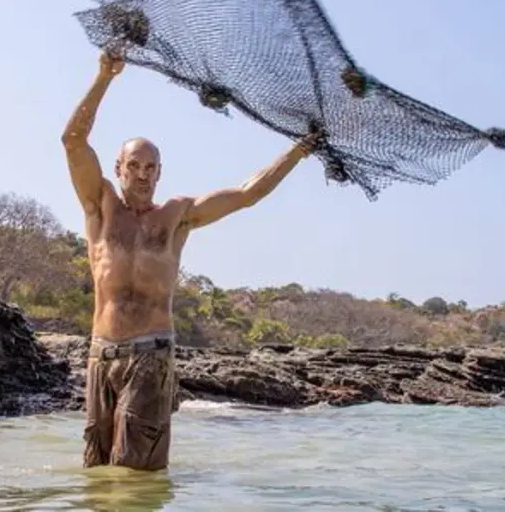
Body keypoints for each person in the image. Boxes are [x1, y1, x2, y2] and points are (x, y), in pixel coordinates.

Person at [60, 48, 317, 471]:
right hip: (99, 356)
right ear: (118, 167)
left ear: (160, 173)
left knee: (132, 476)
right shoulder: (99, 205)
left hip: (150, 355)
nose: (143, 174)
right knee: (97, 474)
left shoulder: (178, 215)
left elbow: (248, 194)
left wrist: (298, 150)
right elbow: (72, 141)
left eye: (151, 167)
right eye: (135, 165)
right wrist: (104, 76)